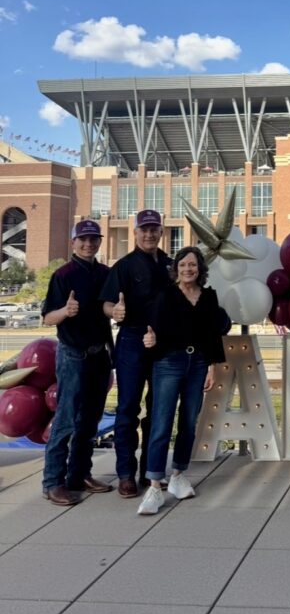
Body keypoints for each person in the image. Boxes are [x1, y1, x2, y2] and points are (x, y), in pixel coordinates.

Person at [137, 246, 224, 514]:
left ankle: (178, 475)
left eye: (193, 265)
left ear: (200, 269)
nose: (188, 269)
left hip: (197, 363)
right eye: (183, 265)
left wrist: (212, 367)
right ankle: (154, 486)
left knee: (188, 422)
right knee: (161, 423)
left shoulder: (208, 297)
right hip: (168, 363)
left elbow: (212, 334)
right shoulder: (165, 295)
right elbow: (151, 329)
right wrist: (150, 340)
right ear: (176, 269)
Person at [41, 220, 114, 505]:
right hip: (72, 355)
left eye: (94, 239)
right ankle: (53, 482)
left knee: (90, 421)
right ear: (73, 242)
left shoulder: (106, 273)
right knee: (66, 420)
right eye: (83, 239)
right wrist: (65, 311)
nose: (88, 244)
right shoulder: (63, 275)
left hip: (99, 355)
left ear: (99, 242)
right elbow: (48, 318)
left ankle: (79, 474)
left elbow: (112, 306)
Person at [101, 209, 172, 498]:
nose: (149, 234)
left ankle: (151, 471)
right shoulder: (124, 266)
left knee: (158, 409)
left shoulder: (170, 265)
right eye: (144, 229)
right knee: (128, 409)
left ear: (162, 232)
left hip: (163, 343)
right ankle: (126, 475)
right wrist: (114, 311)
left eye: (154, 229)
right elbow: (107, 304)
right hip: (132, 340)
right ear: (135, 232)